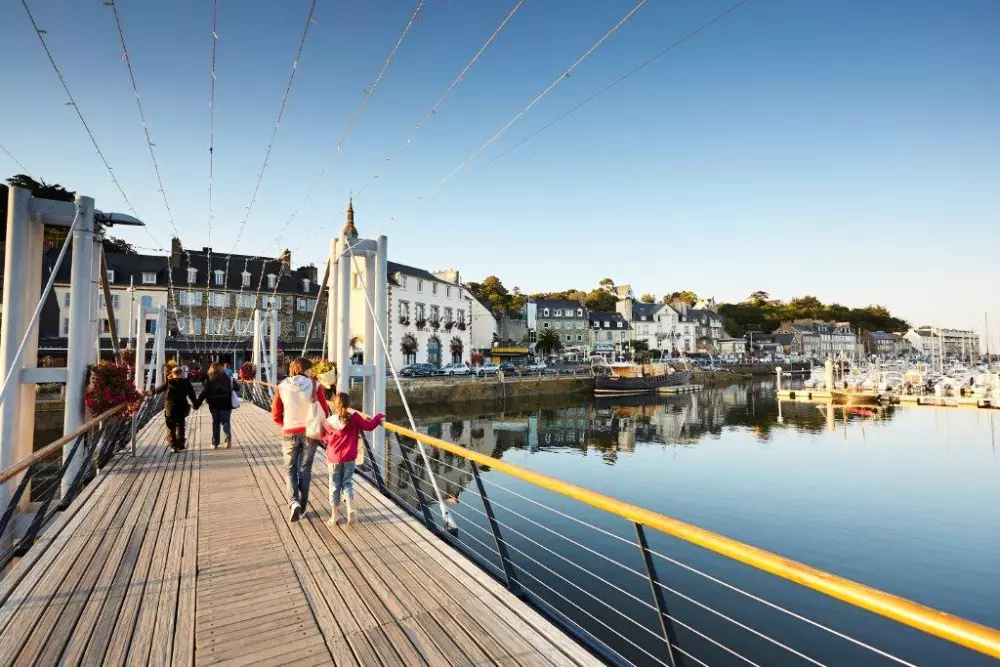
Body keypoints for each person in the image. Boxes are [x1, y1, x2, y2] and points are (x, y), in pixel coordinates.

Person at [271, 357, 329, 522]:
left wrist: (283, 424)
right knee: (305, 470)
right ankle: (303, 507)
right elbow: (324, 410)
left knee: (290, 470)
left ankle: (293, 502)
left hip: (289, 431)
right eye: (310, 369)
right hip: (310, 433)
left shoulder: (281, 387)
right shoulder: (315, 385)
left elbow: (275, 414)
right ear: (304, 369)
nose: (311, 372)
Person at [321, 392, 383, 526]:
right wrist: (377, 418)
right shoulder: (354, 418)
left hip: (334, 458)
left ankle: (334, 515)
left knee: (334, 486)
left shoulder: (329, 422)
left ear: (335, 405)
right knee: (347, 483)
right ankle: (349, 508)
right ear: (349, 404)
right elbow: (369, 426)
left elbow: (324, 438)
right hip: (349, 457)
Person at [147, 366, 200, 452]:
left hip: (170, 408)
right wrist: (196, 404)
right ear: (181, 374)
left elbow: (156, 390)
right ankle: (181, 442)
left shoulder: (168, 383)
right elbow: (192, 395)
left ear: (172, 374)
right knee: (180, 424)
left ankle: (173, 446)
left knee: (170, 427)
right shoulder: (186, 383)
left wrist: (145, 393)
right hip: (182, 407)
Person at [198, 361, 238, 449]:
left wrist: (197, 403)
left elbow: (204, 393)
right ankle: (227, 442)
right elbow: (237, 388)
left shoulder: (208, 380)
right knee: (226, 421)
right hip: (226, 404)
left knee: (216, 423)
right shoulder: (229, 379)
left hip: (214, 405)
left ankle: (215, 443)